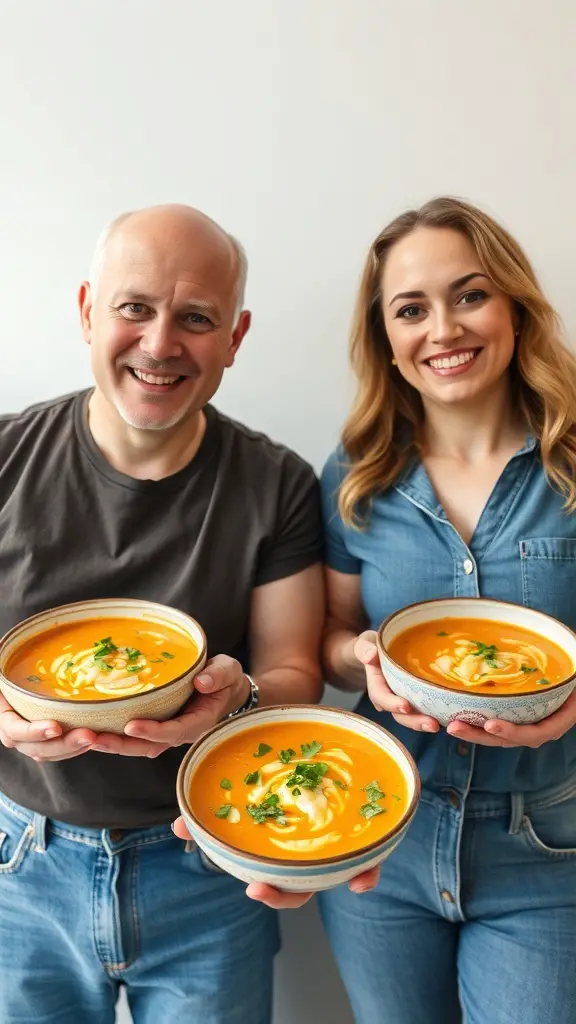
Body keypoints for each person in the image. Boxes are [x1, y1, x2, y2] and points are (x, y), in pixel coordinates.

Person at [0, 204, 326, 1024]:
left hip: (206, 863)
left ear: (236, 337)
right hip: (17, 868)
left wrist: (237, 697)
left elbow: (296, 674)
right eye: (134, 308)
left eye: (196, 319)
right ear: (85, 310)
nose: (159, 344)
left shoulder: (278, 483)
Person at [315, 197, 576, 1024]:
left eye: (470, 295)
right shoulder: (357, 471)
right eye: (411, 309)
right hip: (379, 834)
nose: (444, 329)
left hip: (547, 847)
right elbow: (329, 638)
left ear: (512, 306)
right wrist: (365, 662)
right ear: (386, 339)